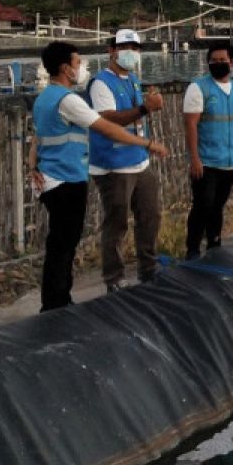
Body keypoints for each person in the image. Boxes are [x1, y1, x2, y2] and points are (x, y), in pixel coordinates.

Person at [30, 42, 168, 312]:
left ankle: (57, 301)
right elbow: (106, 128)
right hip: (67, 180)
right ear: (65, 69)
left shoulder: (44, 97)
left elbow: (37, 138)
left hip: (51, 178)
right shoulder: (68, 100)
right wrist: (147, 144)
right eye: (78, 63)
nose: (81, 68)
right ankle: (56, 305)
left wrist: (32, 166)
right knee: (64, 245)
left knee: (60, 244)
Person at [87, 29, 165, 291]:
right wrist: (145, 108)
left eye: (135, 47)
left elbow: (135, 116)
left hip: (139, 160)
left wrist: (148, 105)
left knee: (150, 216)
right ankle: (114, 278)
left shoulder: (132, 79)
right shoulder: (101, 83)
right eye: (125, 47)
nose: (131, 52)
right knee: (117, 222)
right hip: (113, 164)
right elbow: (108, 118)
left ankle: (148, 269)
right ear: (111, 50)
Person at [183, 41, 233, 259]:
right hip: (207, 160)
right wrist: (195, 159)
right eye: (214, 61)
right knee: (203, 205)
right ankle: (192, 249)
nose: (218, 64)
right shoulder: (198, 88)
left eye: (222, 61)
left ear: (232, 62)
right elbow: (191, 124)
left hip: (230, 160)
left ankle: (214, 244)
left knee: (218, 205)